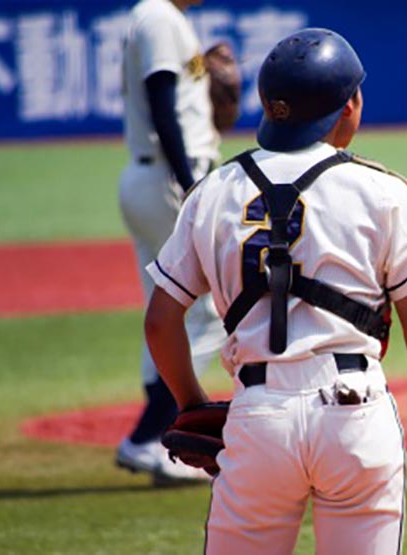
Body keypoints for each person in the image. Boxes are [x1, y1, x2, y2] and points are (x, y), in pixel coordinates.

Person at [143, 27, 407, 553]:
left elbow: (160, 321)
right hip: (355, 419)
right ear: (352, 105)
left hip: (259, 421)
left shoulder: (213, 192)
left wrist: (191, 401)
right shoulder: (382, 192)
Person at [116, 0, 225, 485]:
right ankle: (149, 436)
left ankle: (151, 440)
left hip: (152, 178)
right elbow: (162, 99)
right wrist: (190, 182)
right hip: (169, 180)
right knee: (200, 312)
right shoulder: (159, 15)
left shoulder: (161, 16)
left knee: (163, 304)